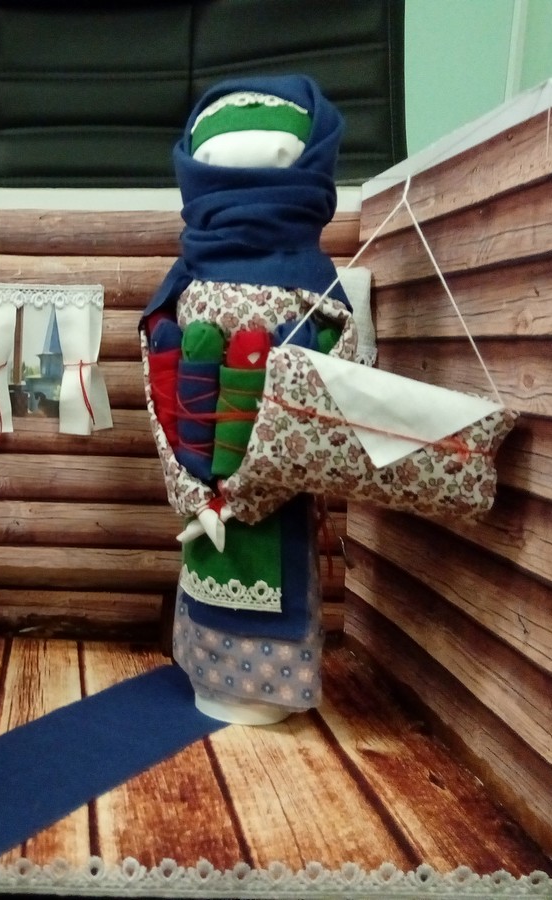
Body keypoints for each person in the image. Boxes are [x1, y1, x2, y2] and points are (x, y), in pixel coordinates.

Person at [141, 75, 358, 725]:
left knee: (274, 555)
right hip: (201, 459)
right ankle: (211, 673)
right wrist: (193, 478)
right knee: (209, 559)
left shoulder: (307, 278)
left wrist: (257, 476)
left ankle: (272, 687)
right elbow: (159, 369)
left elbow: (337, 365)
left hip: (275, 484)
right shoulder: (193, 275)